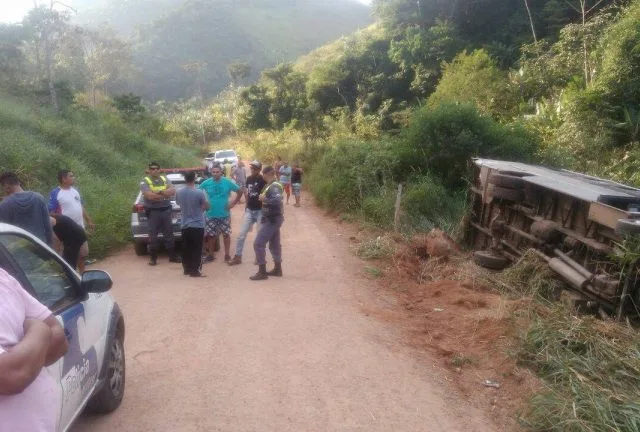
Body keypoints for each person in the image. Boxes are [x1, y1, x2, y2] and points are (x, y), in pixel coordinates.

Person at [0, 267, 68, 432]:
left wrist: (22, 356)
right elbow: (12, 376)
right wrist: (39, 329)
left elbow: (59, 339)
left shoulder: (3, 277)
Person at [48, 169, 95, 273]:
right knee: (66, 258)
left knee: (83, 254)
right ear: (64, 179)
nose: (73, 178)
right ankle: (68, 278)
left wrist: (89, 220)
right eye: (71, 176)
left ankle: (82, 276)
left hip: (79, 229)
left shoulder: (75, 191)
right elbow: (51, 212)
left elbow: (80, 206)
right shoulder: (56, 193)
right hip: (66, 233)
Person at [198, 165, 242, 262]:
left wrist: (233, 203)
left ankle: (227, 255)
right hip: (210, 214)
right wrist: (203, 204)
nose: (215, 174)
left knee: (226, 234)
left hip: (224, 214)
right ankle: (210, 255)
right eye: (213, 172)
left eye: (217, 172)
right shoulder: (206, 183)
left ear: (221, 172)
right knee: (211, 235)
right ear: (211, 173)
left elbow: (239, 191)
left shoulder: (227, 182)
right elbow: (197, 192)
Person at [140, 162, 180, 266]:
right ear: (149, 170)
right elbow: (149, 196)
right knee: (153, 236)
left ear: (159, 169)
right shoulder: (145, 181)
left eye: (157, 168)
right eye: (152, 169)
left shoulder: (164, 179)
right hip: (153, 212)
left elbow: (172, 191)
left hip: (166, 210)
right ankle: (153, 259)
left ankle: (172, 257)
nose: (155, 170)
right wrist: (164, 194)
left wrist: (159, 193)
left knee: (169, 235)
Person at [228, 161, 266, 266]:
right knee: (241, 235)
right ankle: (238, 257)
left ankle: (259, 257)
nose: (252, 170)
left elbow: (266, 194)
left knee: (260, 236)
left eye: (255, 168)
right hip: (250, 210)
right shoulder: (248, 179)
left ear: (259, 170)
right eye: (252, 168)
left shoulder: (263, 180)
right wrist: (246, 205)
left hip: (260, 211)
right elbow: (247, 193)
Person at [0, 171, 52, 246]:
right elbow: (47, 226)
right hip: (41, 248)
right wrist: (49, 246)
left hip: (19, 252)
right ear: (18, 183)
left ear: (6, 187)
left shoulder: (5, 205)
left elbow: (4, 234)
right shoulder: (39, 198)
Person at [251, 166, 284, 281]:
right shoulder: (271, 185)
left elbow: (277, 200)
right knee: (274, 245)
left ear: (266, 174)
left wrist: (264, 199)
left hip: (272, 219)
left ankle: (262, 272)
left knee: (258, 243)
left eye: (263, 174)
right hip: (273, 218)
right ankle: (278, 269)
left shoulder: (274, 186)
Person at [176, 171, 210, 277]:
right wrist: (200, 208)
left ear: (185, 179)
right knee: (197, 248)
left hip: (184, 224)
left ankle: (187, 269)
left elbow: (178, 203)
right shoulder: (199, 192)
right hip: (197, 224)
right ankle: (195, 270)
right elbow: (207, 206)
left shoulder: (179, 191)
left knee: (186, 247)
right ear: (194, 179)